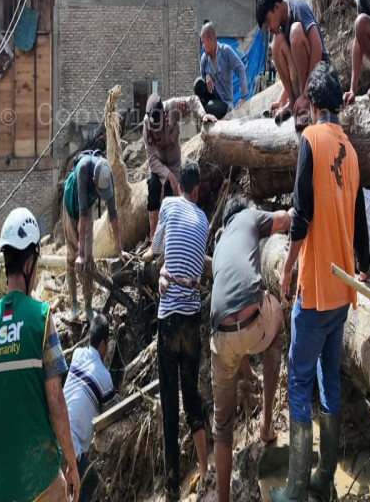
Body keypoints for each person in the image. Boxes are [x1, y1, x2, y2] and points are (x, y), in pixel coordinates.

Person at [272, 64, 370, 502]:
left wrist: (288, 266)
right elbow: (361, 216)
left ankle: (295, 486)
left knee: (298, 380)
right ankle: (325, 479)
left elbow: (301, 214)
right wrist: (362, 267)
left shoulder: (309, 141)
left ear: (312, 107)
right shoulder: (350, 150)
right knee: (330, 378)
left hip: (313, 288)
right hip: (342, 289)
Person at [0, 208, 80, 502]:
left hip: (1, 486)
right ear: (30, 261)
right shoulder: (41, 319)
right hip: (40, 480)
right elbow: (56, 401)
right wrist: (71, 462)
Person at [210, 195, 291, 502]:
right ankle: (267, 425)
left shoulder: (219, 249)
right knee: (277, 327)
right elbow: (284, 219)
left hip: (221, 336)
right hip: (255, 321)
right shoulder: (249, 217)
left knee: (222, 426)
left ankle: (223, 499)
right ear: (243, 212)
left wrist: (246, 373)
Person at [142, 160, 209, 501]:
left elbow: (156, 249)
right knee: (192, 395)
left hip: (169, 318)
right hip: (193, 321)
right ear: (196, 190)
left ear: (180, 186)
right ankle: (207, 470)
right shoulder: (205, 221)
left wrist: (153, 260)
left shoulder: (167, 204)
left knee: (170, 404)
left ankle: (171, 490)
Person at [62, 153, 130, 320]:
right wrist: (80, 255)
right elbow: (83, 216)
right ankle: (73, 306)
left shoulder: (106, 173)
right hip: (71, 205)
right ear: (94, 181)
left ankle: (87, 306)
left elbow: (113, 215)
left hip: (86, 208)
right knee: (73, 256)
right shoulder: (84, 171)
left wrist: (120, 250)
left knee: (89, 257)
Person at [255, 0, 330, 122]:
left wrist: (306, 95)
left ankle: (308, 102)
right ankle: (292, 101)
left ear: (276, 7)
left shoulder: (298, 7)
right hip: (304, 86)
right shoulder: (280, 28)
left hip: (320, 77)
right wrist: (281, 100)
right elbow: (294, 66)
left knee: (296, 31)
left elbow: (317, 47)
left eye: (268, 21)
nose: (269, 28)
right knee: (276, 42)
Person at [143, 92, 216, 236]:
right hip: (158, 165)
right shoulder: (147, 124)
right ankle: (153, 238)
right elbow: (151, 158)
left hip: (175, 163)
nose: (157, 130)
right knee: (153, 186)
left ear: (164, 114)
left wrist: (203, 115)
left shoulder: (172, 107)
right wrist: (168, 175)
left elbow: (194, 99)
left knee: (171, 198)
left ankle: (170, 235)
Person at [63, 314, 119, 502]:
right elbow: (113, 410)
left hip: (53, 430)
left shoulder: (78, 354)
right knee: (90, 482)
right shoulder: (104, 378)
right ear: (103, 344)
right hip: (71, 444)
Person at [194, 21, 248, 119]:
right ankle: (205, 114)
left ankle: (210, 113)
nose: (202, 46)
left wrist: (242, 96)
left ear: (211, 40)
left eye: (203, 42)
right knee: (198, 84)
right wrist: (206, 75)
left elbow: (240, 68)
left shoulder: (225, 51)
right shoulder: (204, 59)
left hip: (224, 103)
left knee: (209, 108)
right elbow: (201, 84)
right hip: (211, 99)